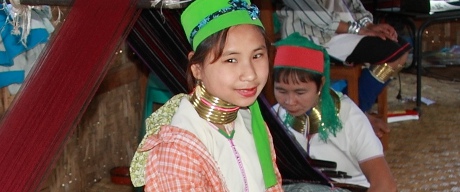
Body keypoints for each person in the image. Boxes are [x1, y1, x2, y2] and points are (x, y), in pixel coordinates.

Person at [129, 0, 283, 191]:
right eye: (231, 60)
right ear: (197, 68)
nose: (250, 74)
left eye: (257, 56)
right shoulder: (178, 150)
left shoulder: (251, 121)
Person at [272, 32, 397, 191]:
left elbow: (385, 185)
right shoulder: (274, 117)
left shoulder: (350, 117)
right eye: (281, 91)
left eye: (300, 92)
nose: (289, 101)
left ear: (321, 84)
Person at [275, 0, 412, 138]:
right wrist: (359, 30)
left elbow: (353, 3)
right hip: (312, 35)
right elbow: (316, 14)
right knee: (392, 53)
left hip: (346, 30)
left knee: (400, 49)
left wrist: (369, 25)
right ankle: (353, 117)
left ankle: (352, 113)